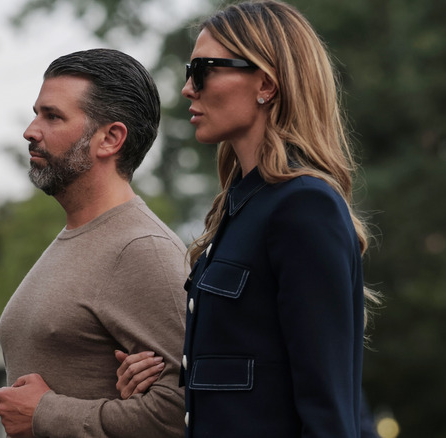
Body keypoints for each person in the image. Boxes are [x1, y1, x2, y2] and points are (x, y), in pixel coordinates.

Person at [115, 1, 379, 436]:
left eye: (203, 70)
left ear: (267, 84)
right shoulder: (238, 212)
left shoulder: (304, 206)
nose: (187, 89)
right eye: (188, 70)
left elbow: (328, 406)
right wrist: (156, 378)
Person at [0, 48, 186, 438]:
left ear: (110, 138)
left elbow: (183, 410)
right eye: (37, 113)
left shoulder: (142, 248)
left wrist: (45, 414)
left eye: (52, 116)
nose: (31, 130)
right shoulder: (75, 238)